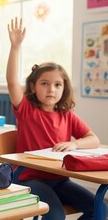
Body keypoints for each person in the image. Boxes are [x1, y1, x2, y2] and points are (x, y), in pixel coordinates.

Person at [7, 17, 106, 220]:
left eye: (57, 85)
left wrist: (74, 144)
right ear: (33, 87)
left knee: (101, 209)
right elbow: (11, 82)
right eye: (44, 83)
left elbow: (93, 139)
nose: (51, 89)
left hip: (60, 180)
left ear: (64, 88)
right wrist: (15, 47)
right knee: (55, 216)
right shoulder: (27, 109)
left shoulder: (66, 115)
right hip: (29, 179)